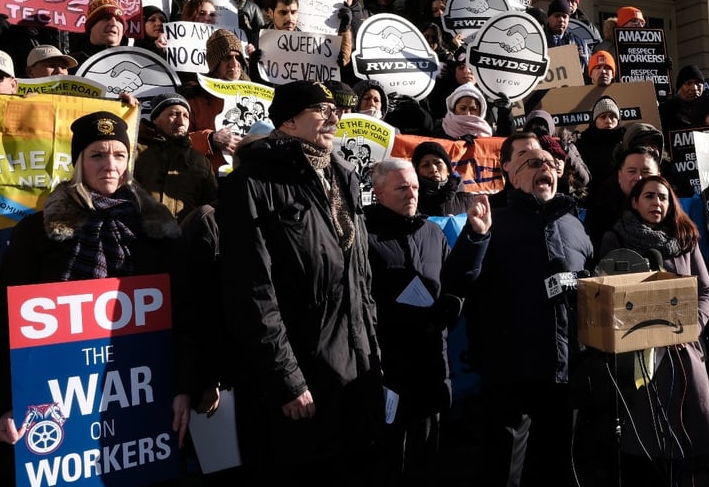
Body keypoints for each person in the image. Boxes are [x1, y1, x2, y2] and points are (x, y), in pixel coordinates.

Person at [0, 111, 206, 473]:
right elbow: (2, 323)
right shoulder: (37, 233)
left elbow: (184, 315)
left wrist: (184, 388)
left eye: (119, 155)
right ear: (78, 163)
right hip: (58, 403)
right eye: (97, 155)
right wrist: (6, 403)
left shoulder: (158, 231)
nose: (110, 166)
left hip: (143, 401)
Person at [217, 80, 382, 485]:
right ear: (288, 122)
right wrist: (286, 380)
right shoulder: (251, 184)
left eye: (335, 109)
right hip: (300, 383)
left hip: (355, 374)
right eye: (320, 109)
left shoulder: (344, 177)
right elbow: (253, 292)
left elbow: (360, 282)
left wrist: (373, 358)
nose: (334, 117)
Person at [453, 146, 591, 487]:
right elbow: (457, 280)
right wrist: (476, 237)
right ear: (512, 177)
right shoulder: (492, 221)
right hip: (513, 373)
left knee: (559, 467)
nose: (544, 166)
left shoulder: (573, 222)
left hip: (567, 371)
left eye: (549, 162)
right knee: (506, 470)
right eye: (532, 163)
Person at [364, 158, 482, 486]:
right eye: (401, 188)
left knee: (427, 456)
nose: (411, 194)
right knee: (389, 458)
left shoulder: (431, 231)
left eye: (414, 187)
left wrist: (448, 307)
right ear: (379, 193)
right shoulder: (363, 235)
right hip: (387, 367)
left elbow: (453, 283)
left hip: (431, 365)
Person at [599, 175, 709, 485]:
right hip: (641, 359)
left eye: (664, 197)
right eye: (650, 196)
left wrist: (691, 326)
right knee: (649, 445)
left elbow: (706, 291)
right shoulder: (616, 239)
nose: (657, 203)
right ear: (635, 202)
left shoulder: (684, 238)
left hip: (685, 351)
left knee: (692, 440)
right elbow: (611, 296)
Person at [133, 91, 218, 223]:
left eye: (186, 116)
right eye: (173, 114)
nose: (181, 122)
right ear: (155, 119)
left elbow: (211, 207)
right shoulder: (134, 151)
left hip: (184, 239)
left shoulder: (201, 161)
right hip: (140, 237)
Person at [182, 29, 249, 174]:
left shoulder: (255, 95)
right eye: (227, 58)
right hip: (209, 179)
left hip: (250, 178)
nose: (234, 64)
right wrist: (210, 139)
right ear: (214, 63)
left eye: (238, 58)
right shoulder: (194, 98)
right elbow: (179, 141)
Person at [411, 141, 473, 216]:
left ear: (448, 170)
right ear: (417, 172)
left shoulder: (469, 201)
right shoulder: (411, 200)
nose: (433, 169)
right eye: (425, 165)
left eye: (437, 163)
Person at [70, 0, 127, 64]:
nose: (113, 23)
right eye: (106, 18)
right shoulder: (69, 65)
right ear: (91, 26)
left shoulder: (134, 62)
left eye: (118, 20)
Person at [659, 64, 706, 137]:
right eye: (689, 83)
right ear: (679, 88)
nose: (694, 88)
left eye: (698, 83)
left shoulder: (708, 108)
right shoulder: (665, 110)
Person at [544, 0, 588, 73]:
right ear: (548, 18)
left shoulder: (579, 43)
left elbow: (586, 70)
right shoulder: (539, 40)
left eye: (564, 16)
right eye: (557, 16)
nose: (561, 20)